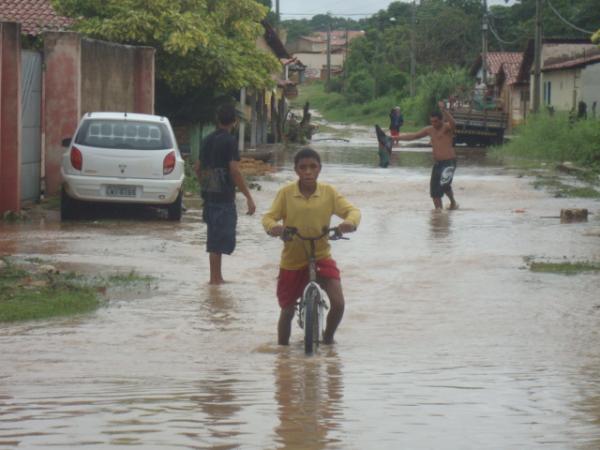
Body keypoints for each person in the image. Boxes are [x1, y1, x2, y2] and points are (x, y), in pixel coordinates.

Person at [262, 148, 361, 345]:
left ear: (319, 169)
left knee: (339, 303)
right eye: (303, 167)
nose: (308, 171)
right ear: (296, 170)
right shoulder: (286, 193)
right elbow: (268, 217)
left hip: (322, 255)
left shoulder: (329, 192)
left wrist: (349, 223)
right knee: (287, 310)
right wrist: (275, 228)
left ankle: (328, 339)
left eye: (312, 167)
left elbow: (353, 210)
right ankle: (282, 355)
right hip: (292, 259)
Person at [194, 104, 256, 285]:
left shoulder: (206, 140)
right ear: (235, 122)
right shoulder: (230, 141)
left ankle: (217, 278)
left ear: (217, 120)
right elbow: (234, 171)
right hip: (224, 198)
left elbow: (197, 167)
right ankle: (215, 279)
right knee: (221, 239)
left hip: (209, 196)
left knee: (214, 237)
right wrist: (248, 197)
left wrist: (205, 185)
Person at [394, 101, 459, 210]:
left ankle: (453, 202)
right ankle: (438, 214)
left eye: (436, 121)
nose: (434, 123)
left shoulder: (447, 128)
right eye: (431, 121)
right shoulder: (430, 130)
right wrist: (396, 138)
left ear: (441, 120)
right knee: (434, 192)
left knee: (444, 185)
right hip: (438, 163)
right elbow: (414, 136)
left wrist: (444, 110)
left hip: (449, 162)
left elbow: (454, 123)